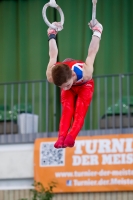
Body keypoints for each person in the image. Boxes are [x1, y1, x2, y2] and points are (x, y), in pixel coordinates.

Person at [46, 19, 103, 148]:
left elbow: (92, 52)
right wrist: (51, 34)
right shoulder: (52, 76)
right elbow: (52, 54)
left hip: (84, 85)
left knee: (79, 110)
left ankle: (71, 136)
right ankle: (61, 138)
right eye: (60, 86)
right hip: (72, 82)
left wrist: (97, 31)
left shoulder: (86, 72)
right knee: (67, 110)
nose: (64, 88)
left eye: (66, 85)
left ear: (72, 75)